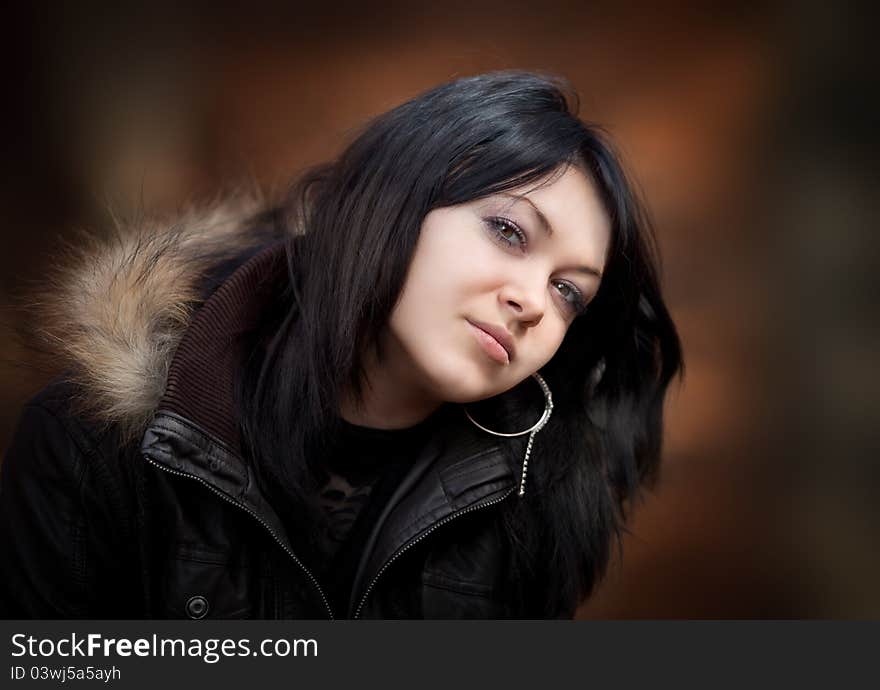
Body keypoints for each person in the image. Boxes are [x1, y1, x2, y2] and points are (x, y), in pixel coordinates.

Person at [0, 70, 682, 619]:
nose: (532, 302)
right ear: (390, 200)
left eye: (570, 292)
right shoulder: (93, 443)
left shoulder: (536, 508)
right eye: (508, 231)